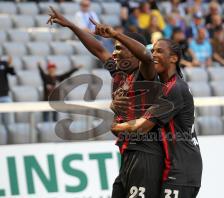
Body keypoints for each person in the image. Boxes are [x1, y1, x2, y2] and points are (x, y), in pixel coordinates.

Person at [47, 7, 164, 197]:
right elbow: (99, 49)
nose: (114, 53)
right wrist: (72, 26)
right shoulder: (118, 71)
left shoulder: (146, 75)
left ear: (135, 54)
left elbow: (146, 56)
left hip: (146, 153)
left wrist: (117, 34)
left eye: (119, 49)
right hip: (128, 152)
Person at [111, 38, 203, 198]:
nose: (153, 55)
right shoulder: (167, 85)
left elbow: (141, 127)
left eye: (159, 51)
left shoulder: (175, 88)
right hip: (174, 165)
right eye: (152, 51)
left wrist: (114, 126)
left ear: (173, 58)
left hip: (182, 167)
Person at [0, 55, 15, 125]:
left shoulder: (4, 64)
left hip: (5, 95)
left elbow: (12, 73)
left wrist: (10, 64)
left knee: (9, 119)